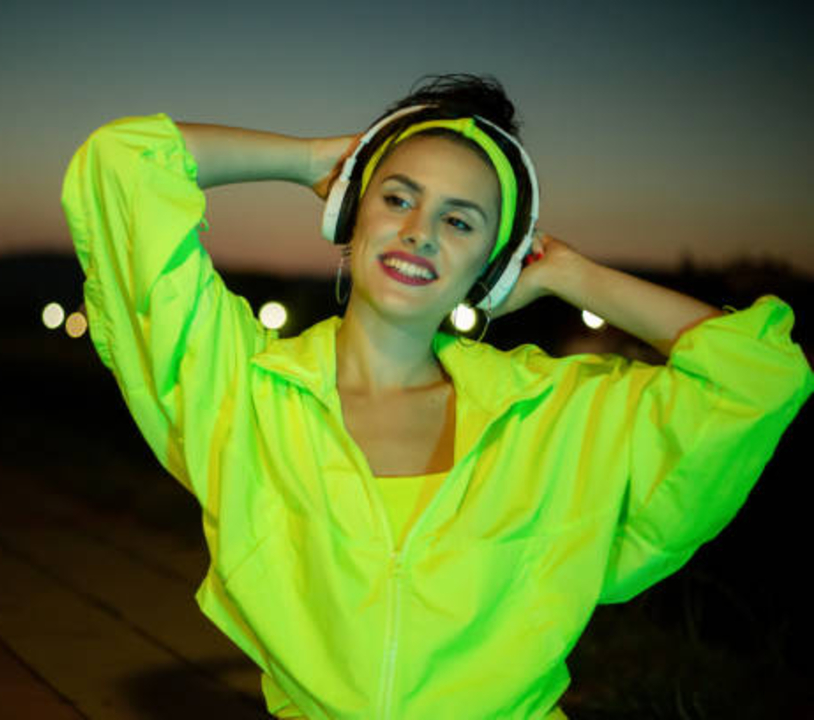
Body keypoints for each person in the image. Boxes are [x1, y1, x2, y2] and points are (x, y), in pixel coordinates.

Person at [60, 74, 813, 719]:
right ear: (352, 214)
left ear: (493, 262)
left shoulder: (549, 419)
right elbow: (122, 165)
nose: (420, 233)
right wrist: (316, 161)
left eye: (460, 222)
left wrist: (571, 272)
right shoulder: (244, 391)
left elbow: (757, 373)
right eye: (397, 197)